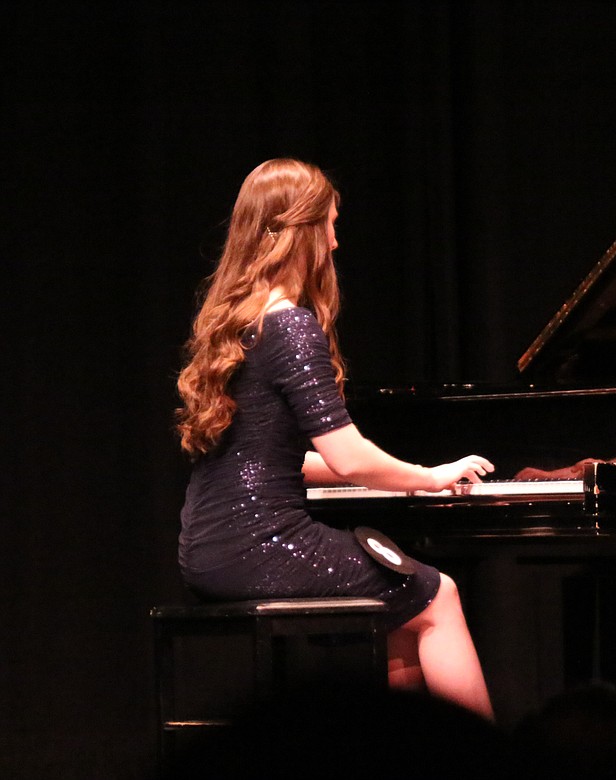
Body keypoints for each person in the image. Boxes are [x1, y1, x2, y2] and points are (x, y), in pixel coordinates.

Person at [175, 158, 494, 720]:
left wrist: (407, 478)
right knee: (438, 595)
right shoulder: (290, 324)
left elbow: (268, 462)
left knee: (402, 611)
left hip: (204, 552)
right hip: (261, 547)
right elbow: (346, 457)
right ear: (301, 230)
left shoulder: (237, 321)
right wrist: (426, 479)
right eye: (330, 224)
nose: (335, 242)